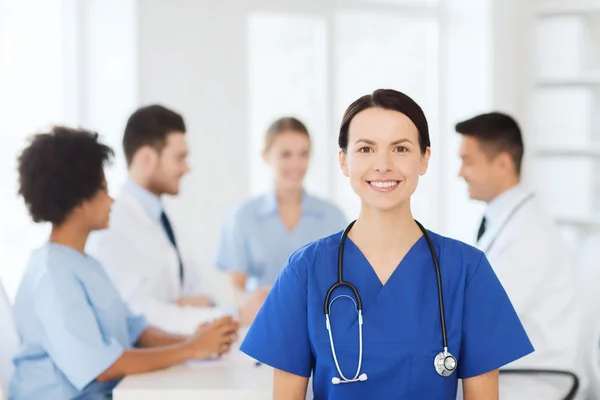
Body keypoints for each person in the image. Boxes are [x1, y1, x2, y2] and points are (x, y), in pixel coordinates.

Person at [239, 89, 534, 400]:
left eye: (400, 149)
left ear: (424, 159)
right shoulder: (305, 270)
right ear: (344, 161)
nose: (382, 165)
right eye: (366, 149)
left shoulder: (467, 270)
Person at [9, 127, 239, 400]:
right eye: (104, 191)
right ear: (79, 201)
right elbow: (102, 366)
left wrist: (197, 342)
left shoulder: (86, 263)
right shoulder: (52, 276)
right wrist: (191, 350)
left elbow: (136, 331)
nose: (111, 201)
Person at [86, 105, 264, 334]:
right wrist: (233, 315)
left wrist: (180, 307)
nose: (186, 168)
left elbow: (203, 295)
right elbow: (137, 315)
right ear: (146, 158)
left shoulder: (161, 218)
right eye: (180, 158)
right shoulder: (112, 224)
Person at [455, 112, 583, 399]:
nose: (460, 173)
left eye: (468, 161)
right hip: (516, 370)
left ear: (502, 163)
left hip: (533, 380)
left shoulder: (529, 235)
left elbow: (483, 318)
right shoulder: (508, 221)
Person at [213, 117, 347, 304]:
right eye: (286, 154)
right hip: (264, 322)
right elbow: (235, 291)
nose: (296, 163)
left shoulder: (333, 216)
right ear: (266, 156)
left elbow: (345, 280)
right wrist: (256, 301)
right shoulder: (243, 216)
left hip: (319, 325)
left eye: (304, 154)